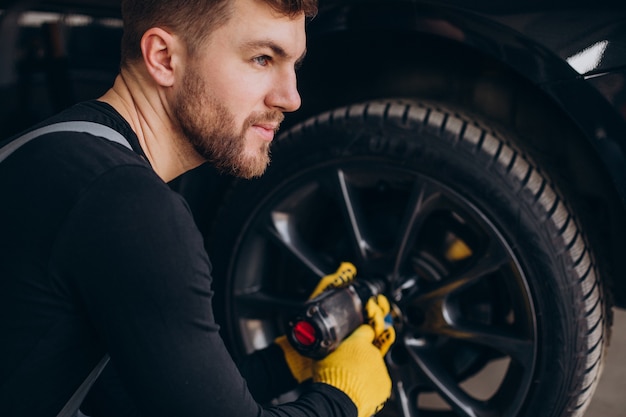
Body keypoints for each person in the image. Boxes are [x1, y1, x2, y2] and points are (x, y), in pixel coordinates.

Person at [0, 0, 395, 416]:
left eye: (293, 64)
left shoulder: (57, 149)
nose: (290, 97)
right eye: (262, 58)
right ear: (164, 58)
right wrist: (344, 398)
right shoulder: (131, 207)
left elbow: (122, 398)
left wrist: (287, 360)